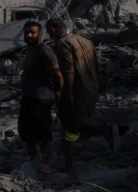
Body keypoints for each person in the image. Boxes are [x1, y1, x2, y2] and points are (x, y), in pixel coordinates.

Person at [45, 18, 100, 174]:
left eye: (48, 31)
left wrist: (63, 95)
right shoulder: (85, 41)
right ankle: (104, 133)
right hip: (91, 90)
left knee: (68, 127)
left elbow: (67, 74)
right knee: (78, 123)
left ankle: (69, 166)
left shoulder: (61, 44)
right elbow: (96, 67)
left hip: (75, 92)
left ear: (53, 30)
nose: (48, 35)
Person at [18, 20, 64, 174]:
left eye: (32, 32)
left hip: (41, 99)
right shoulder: (31, 50)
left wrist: (57, 92)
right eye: (26, 32)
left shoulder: (45, 51)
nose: (29, 35)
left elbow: (57, 74)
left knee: (43, 132)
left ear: (40, 34)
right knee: (25, 130)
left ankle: (47, 164)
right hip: (29, 97)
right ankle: (34, 158)